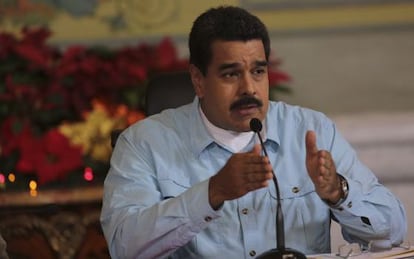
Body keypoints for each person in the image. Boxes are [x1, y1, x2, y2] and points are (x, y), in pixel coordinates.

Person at [100, 5, 407, 258]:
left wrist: (338, 192)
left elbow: (393, 231)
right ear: (198, 79)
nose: (249, 88)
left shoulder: (311, 131)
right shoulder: (143, 143)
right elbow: (124, 248)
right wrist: (212, 193)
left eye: (258, 71)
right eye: (231, 73)